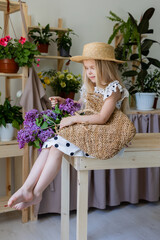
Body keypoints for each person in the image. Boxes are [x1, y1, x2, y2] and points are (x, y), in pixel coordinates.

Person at [7, 42, 129, 210]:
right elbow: (82, 106)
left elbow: (102, 118)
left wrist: (73, 120)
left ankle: (35, 192)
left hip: (104, 135)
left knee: (56, 145)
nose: (89, 72)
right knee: (50, 144)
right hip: (90, 130)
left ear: (105, 67)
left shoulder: (113, 88)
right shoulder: (91, 88)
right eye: (86, 68)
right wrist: (66, 102)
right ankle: (28, 189)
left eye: (93, 68)